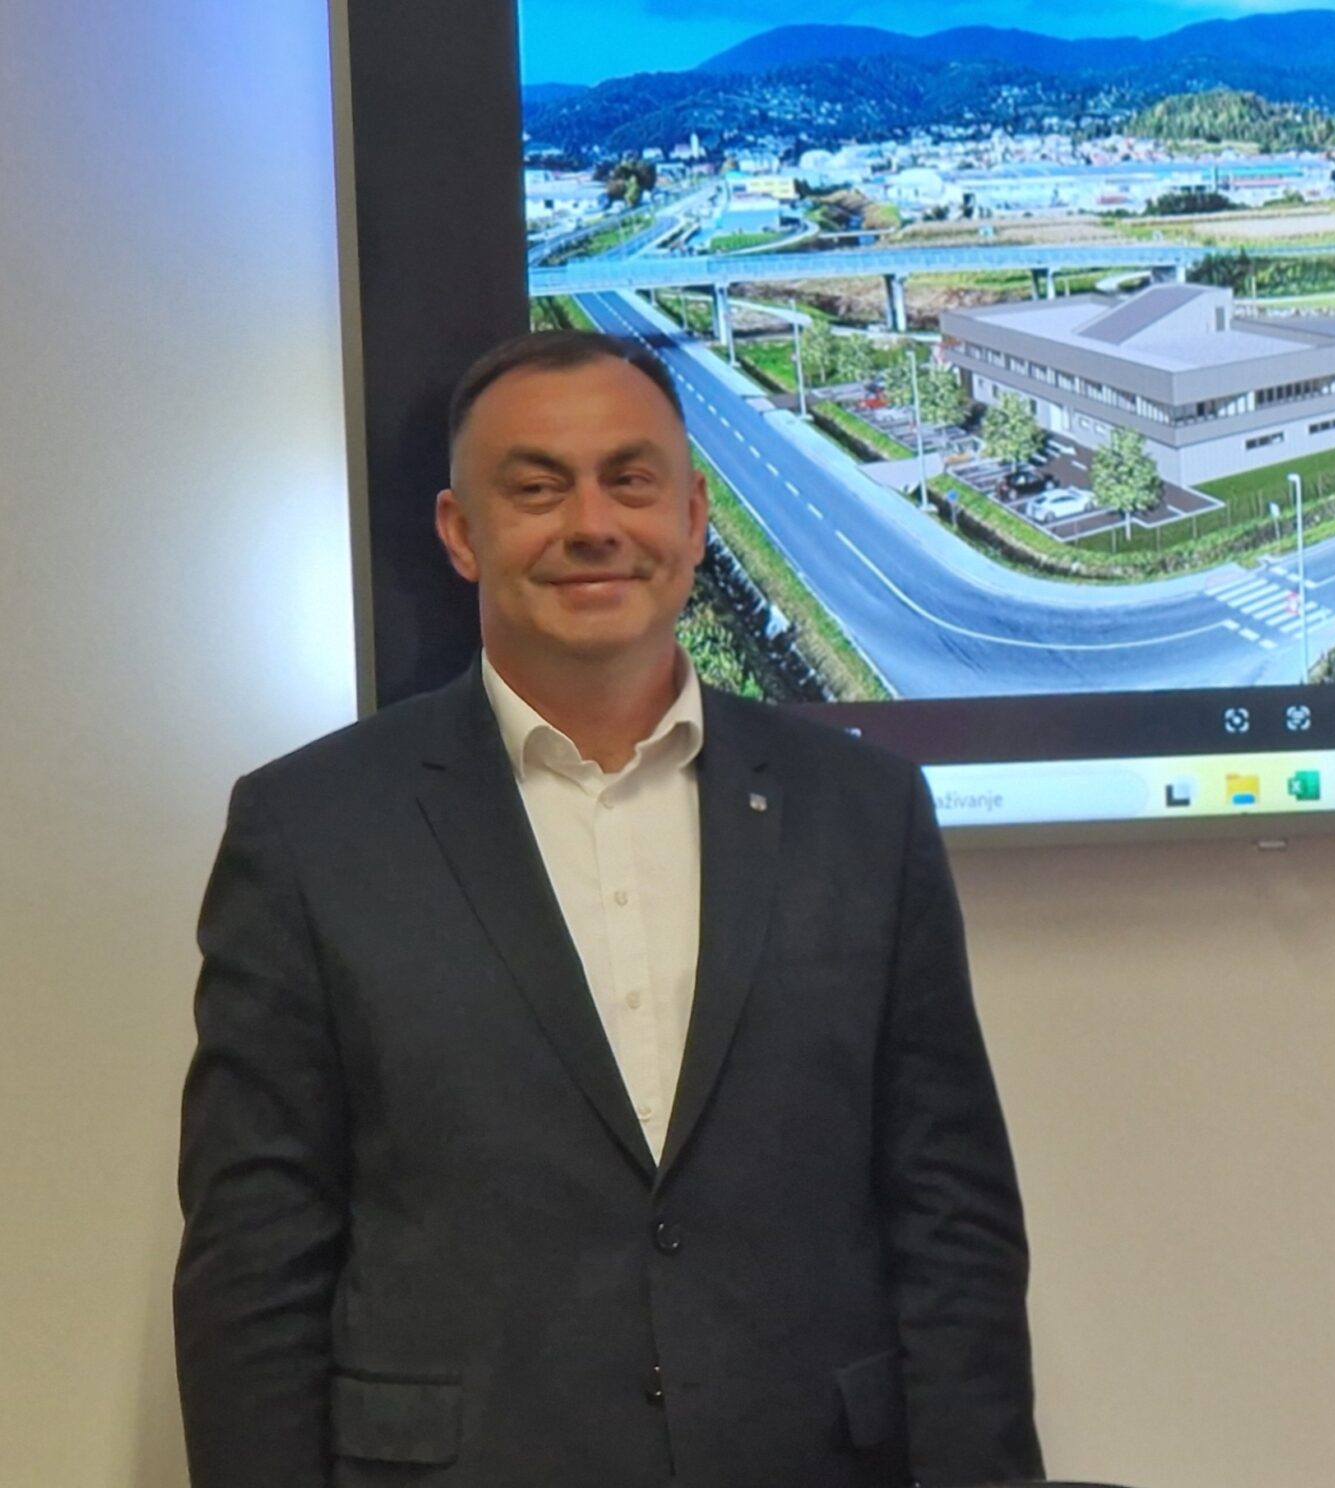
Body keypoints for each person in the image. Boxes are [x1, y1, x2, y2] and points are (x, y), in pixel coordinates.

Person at [174, 330, 1042, 1488]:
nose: (591, 524)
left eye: (630, 481)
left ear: (692, 517)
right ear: (460, 533)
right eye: (536, 489)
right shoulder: (311, 830)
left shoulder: (864, 813)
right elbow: (255, 1261)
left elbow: (953, 1222)